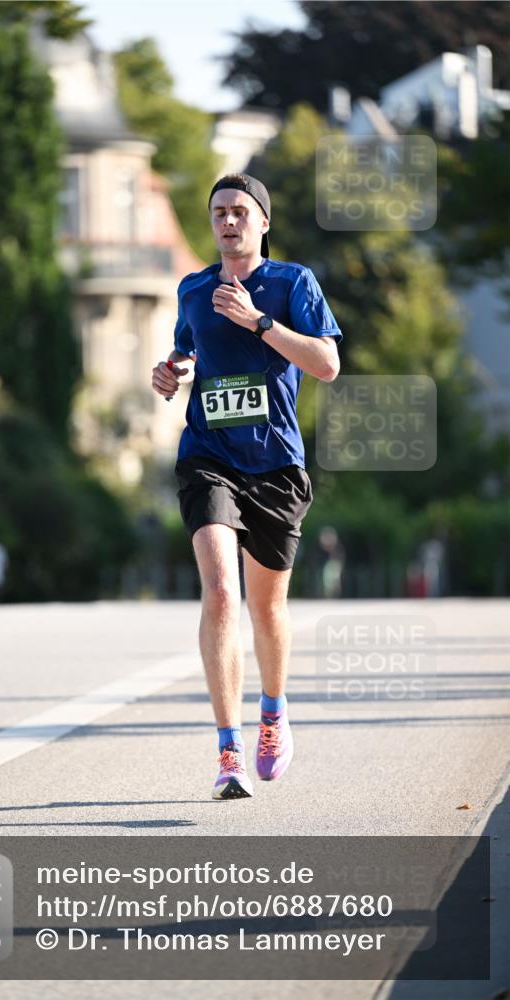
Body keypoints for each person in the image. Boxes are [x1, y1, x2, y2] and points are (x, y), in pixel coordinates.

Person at [151, 173, 343, 800]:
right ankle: (228, 750)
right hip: (208, 455)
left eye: (239, 212)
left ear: (263, 221)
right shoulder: (193, 288)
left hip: (276, 466)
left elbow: (327, 364)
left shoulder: (293, 284)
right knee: (222, 596)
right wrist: (172, 370)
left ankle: (273, 713)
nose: (228, 222)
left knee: (266, 608)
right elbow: (187, 353)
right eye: (218, 213)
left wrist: (260, 323)